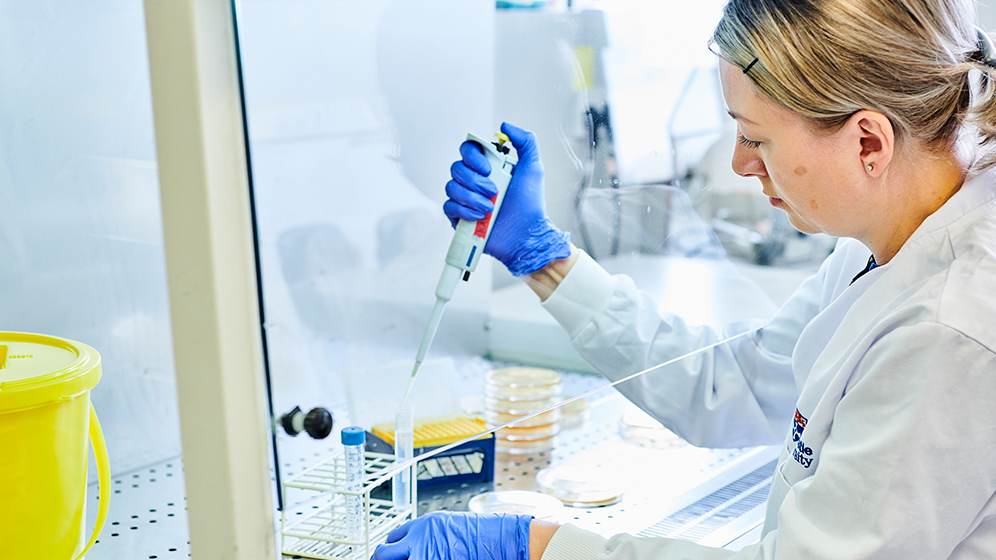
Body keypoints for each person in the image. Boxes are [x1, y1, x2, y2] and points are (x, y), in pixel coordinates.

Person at [373, 0, 996, 558]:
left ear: (869, 142)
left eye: (757, 138)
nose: (739, 162)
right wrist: (542, 256)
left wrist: (540, 548)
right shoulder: (900, 229)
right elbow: (741, 385)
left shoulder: (951, 328)